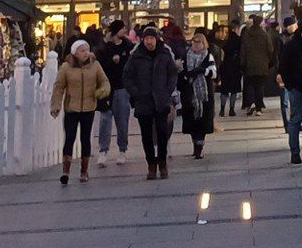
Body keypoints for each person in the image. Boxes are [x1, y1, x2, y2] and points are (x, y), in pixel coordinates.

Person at [50, 38, 112, 184]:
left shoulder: (95, 65)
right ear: (75, 53)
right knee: (70, 137)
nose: (86, 53)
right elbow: (59, 87)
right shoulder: (66, 67)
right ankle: (66, 171)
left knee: (85, 139)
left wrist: (102, 91)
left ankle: (84, 171)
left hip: (88, 107)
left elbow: (104, 81)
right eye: (82, 50)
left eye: (87, 50)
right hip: (72, 108)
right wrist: (56, 105)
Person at [122, 25, 181, 179]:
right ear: (142, 40)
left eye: (152, 38)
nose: (149, 42)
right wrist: (137, 93)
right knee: (146, 136)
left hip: (161, 101)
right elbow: (127, 77)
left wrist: (167, 91)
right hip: (144, 102)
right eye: (147, 38)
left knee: (162, 134)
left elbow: (172, 74)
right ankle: (151, 164)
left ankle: (162, 163)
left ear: (156, 39)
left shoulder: (164, 54)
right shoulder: (136, 56)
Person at [94, 20, 135, 161]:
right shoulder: (105, 48)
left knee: (122, 120)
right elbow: (100, 65)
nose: (124, 31)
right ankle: (103, 150)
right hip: (107, 88)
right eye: (122, 29)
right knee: (105, 119)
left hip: (122, 88)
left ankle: (122, 150)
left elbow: (131, 66)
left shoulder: (128, 47)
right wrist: (112, 61)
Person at [179, 31, 219, 158]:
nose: (195, 45)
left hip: (204, 93)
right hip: (189, 92)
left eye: (198, 42)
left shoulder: (208, 56)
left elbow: (214, 73)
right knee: (191, 120)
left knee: (203, 120)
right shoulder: (186, 56)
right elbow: (181, 72)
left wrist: (203, 70)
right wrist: (184, 76)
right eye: (194, 42)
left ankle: (199, 146)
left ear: (204, 43)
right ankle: (195, 144)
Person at [277, 15, 302, 165]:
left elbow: (283, 66)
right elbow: (283, 66)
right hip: (300, 87)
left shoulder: (292, 44)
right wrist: (290, 85)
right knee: (299, 119)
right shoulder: (299, 45)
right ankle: (298, 152)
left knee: (300, 119)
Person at [240, 15, 277, 115]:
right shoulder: (264, 35)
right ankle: (258, 108)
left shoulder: (247, 34)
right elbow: (270, 49)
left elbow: (243, 50)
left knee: (250, 85)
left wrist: (242, 63)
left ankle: (250, 103)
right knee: (259, 86)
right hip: (262, 65)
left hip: (249, 65)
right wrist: (269, 61)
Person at [215, 23, 244, 116]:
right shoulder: (238, 40)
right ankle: (232, 109)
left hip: (224, 68)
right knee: (234, 91)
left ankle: (222, 109)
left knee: (224, 90)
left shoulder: (222, 43)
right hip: (235, 68)